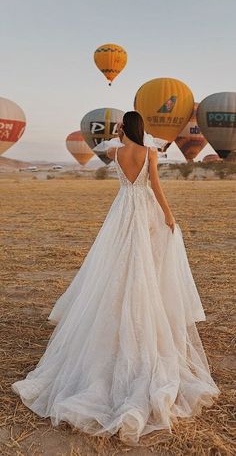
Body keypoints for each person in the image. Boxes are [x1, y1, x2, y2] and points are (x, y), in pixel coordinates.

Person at [11, 111, 220, 446]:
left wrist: (119, 135)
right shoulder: (150, 152)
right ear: (144, 129)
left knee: (116, 261)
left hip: (122, 208)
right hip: (144, 207)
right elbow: (155, 184)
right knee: (143, 262)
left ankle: (115, 309)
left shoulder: (115, 152)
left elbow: (109, 149)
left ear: (125, 127)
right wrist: (168, 215)